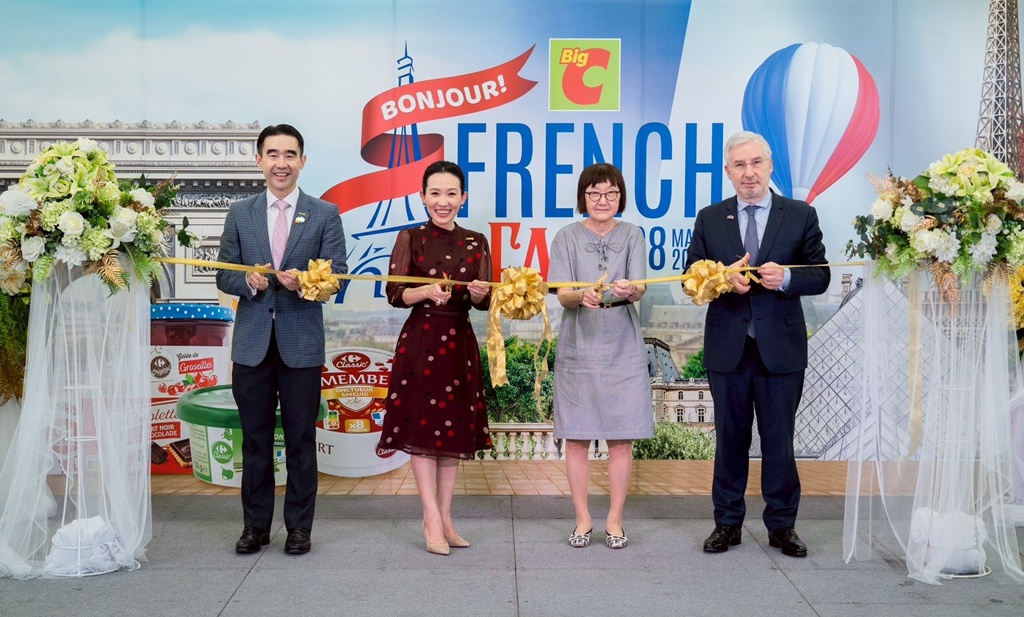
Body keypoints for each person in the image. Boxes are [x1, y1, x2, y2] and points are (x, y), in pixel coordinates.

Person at [685, 131, 829, 557]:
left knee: (779, 440)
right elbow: (690, 277)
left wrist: (786, 278)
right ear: (728, 172)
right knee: (729, 439)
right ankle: (726, 524)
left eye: (756, 163)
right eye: (739, 165)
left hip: (780, 349)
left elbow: (820, 274)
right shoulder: (710, 218)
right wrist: (720, 279)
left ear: (769, 166)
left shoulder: (800, 215)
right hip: (727, 347)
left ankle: (782, 526)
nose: (749, 173)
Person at [216, 124, 347, 555]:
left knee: (300, 440)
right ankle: (255, 526)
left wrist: (305, 283)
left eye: (290, 154)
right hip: (252, 345)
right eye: (272, 154)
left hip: (301, 345)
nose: (281, 163)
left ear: (302, 161)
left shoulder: (325, 213)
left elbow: (338, 279)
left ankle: (299, 528)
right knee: (254, 440)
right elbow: (224, 274)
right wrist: (248, 282)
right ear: (259, 160)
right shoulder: (240, 212)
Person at [375, 161, 492, 556]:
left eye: (451, 193)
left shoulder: (477, 241)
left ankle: (445, 517)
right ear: (423, 196)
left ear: (463, 198)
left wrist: (478, 294)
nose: (443, 201)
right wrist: (424, 291)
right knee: (424, 434)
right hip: (422, 341)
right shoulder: (411, 237)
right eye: (436, 193)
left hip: (460, 343)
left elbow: (484, 301)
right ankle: (429, 517)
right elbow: (395, 293)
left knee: (451, 434)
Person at [549, 162, 653, 549]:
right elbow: (562, 293)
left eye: (611, 193)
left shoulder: (633, 234)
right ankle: (582, 519)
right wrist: (581, 296)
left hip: (622, 339)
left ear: (620, 197)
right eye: (594, 193)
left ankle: (615, 520)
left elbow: (640, 286)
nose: (603, 200)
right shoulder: (566, 236)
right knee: (576, 437)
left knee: (621, 438)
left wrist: (630, 290)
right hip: (579, 338)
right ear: (583, 197)